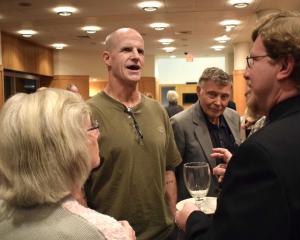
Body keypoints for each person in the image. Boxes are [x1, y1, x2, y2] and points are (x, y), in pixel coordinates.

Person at [175, 11, 300, 240]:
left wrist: (192, 220)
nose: (246, 73)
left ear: (285, 66)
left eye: (253, 60)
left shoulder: (262, 151)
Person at [84, 28, 182, 240]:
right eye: (127, 49)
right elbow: (76, 185)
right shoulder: (86, 113)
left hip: (164, 234)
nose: (136, 56)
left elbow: (168, 171)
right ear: (107, 58)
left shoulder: (158, 111)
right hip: (112, 235)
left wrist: (173, 216)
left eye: (140, 51)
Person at [0, 88, 135, 240]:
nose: (98, 134)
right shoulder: (100, 231)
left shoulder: (4, 215)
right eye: (93, 127)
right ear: (70, 147)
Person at [170, 67, 241, 201]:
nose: (218, 103)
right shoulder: (179, 124)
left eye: (224, 96)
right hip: (197, 208)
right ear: (198, 91)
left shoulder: (234, 117)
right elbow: (171, 174)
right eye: (212, 95)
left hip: (233, 201)